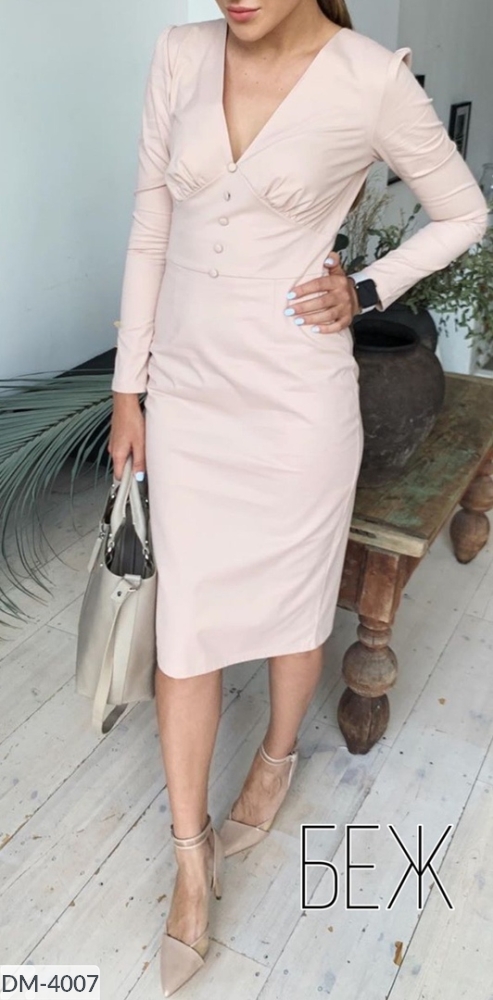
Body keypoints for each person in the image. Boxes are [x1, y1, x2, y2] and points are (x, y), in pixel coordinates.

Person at [108, 0, 488, 994]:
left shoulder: (367, 77)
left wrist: (362, 290)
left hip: (293, 401)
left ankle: (275, 758)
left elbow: (464, 211)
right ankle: (190, 861)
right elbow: (151, 221)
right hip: (187, 395)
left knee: (291, 603)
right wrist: (127, 388)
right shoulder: (180, 53)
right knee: (185, 627)